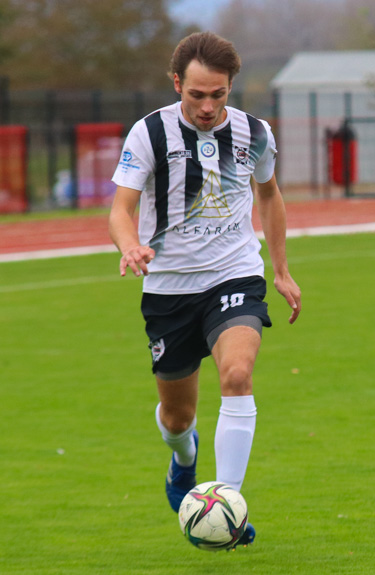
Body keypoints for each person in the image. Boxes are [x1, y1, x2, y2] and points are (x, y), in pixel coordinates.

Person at [109, 31, 301, 545]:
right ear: (177, 84)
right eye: (197, 95)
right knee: (178, 417)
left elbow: (270, 195)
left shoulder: (254, 133)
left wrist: (280, 270)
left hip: (234, 274)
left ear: (231, 87)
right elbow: (120, 209)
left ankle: (225, 508)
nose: (208, 106)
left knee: (238, 373)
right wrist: (130, 246)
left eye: (218, 95)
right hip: (168, 289)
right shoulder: (148, 134)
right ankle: (183, 457)